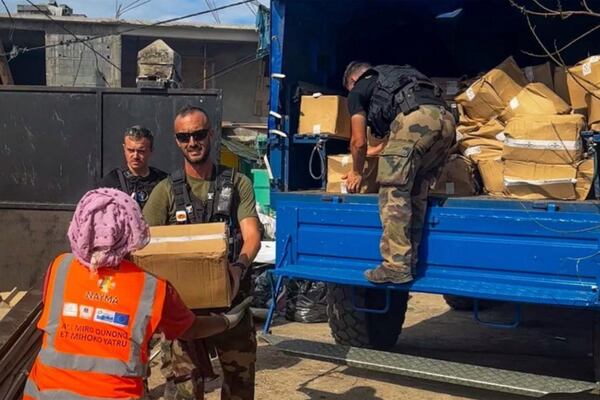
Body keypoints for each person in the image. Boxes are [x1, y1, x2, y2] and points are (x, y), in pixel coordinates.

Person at [23, 188, 251, 400]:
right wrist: (225, 321)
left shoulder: (60, 268)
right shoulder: (152, 288)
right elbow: (191, 328)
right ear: (131, 230)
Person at [143, 105, 262, 400]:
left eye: (198, 134)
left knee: (240, 384)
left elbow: (252, 236)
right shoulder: (166, 191)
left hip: (230, 303)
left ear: (210, 135)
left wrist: (239, 267)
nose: (192, 142)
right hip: (182, 311)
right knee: (184, 387)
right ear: (176, 141)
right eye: (184, 137)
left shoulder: (237, 183)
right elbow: (142, 245)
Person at [343, 61, 455, 284]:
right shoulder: (396, 79)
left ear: (353, 81)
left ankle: (395, 266)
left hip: (416, 121)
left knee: (393, 192)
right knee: (416, 192)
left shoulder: (357, 90)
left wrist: (356, 171)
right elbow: (398, 141)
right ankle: (409, 261)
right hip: (447, 122)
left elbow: (358, 141)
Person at [99, 125, 168, 209]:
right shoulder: (111, 182)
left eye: (141, 151)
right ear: (124, 149)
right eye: (131, 150)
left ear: (151, 150)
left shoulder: (163, 181)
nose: (135, 156)